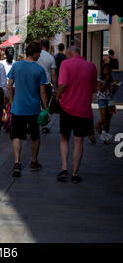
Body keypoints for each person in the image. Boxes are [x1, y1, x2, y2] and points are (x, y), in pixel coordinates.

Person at [56, 45, 97, 184]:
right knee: (79, 141)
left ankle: (64, 169)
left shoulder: (65, 64)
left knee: (64, 138)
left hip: (67, 108)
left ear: (69, 53)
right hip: (84, 110)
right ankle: (75, 173)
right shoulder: (91, 66)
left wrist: (57, 96)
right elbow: (93, 89)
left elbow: (63, 84)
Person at [7, 42, 48, 177]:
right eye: (39, 53)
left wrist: (12, 102)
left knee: (17, 136)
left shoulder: (16, 66)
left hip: (18, 108)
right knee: (35, 136)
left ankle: (17, 162)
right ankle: (34, 161)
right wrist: (46, 108)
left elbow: (9, 85)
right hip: (33, 109)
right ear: (34, 53)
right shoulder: (39, 70)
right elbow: (42, 91)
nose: (40, 55)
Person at [37, 39, 57, 133]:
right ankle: (44, 126)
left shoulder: (37, 55)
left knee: (35, 104)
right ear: (48, 46)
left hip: (36, 83)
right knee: (45, 106)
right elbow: (53, 74)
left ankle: (32, 124)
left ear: (41, 45)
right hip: (46, 83)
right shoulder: (51, 58)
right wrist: (55, 87)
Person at [95, 63, 118, 144]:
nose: (107, 71)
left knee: (108, 121)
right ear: (102, 70)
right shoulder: (99, 79)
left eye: (109, 70)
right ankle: (96, 126)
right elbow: (101, 90)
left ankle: (105, 139)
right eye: (106, 70)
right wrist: (106, 80)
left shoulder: (112, 80)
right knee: (104, 120)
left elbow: (113, 92)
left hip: (111, 101)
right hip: (102, 100)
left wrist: (115, 88)